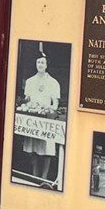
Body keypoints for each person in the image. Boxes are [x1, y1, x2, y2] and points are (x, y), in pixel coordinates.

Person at [16, 47, 62, 186]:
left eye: (42, 62)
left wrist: (48, 109)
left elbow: (55, 105)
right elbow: (27, 101)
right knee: (33, 148)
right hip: (33, 120)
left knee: (47, 149)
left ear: (47, 65)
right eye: (38, 62)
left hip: (46, 120)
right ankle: (34, 176)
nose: (40, 65)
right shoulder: (30, 81)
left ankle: (44, 177)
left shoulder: (53, 83)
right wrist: (28, 106)